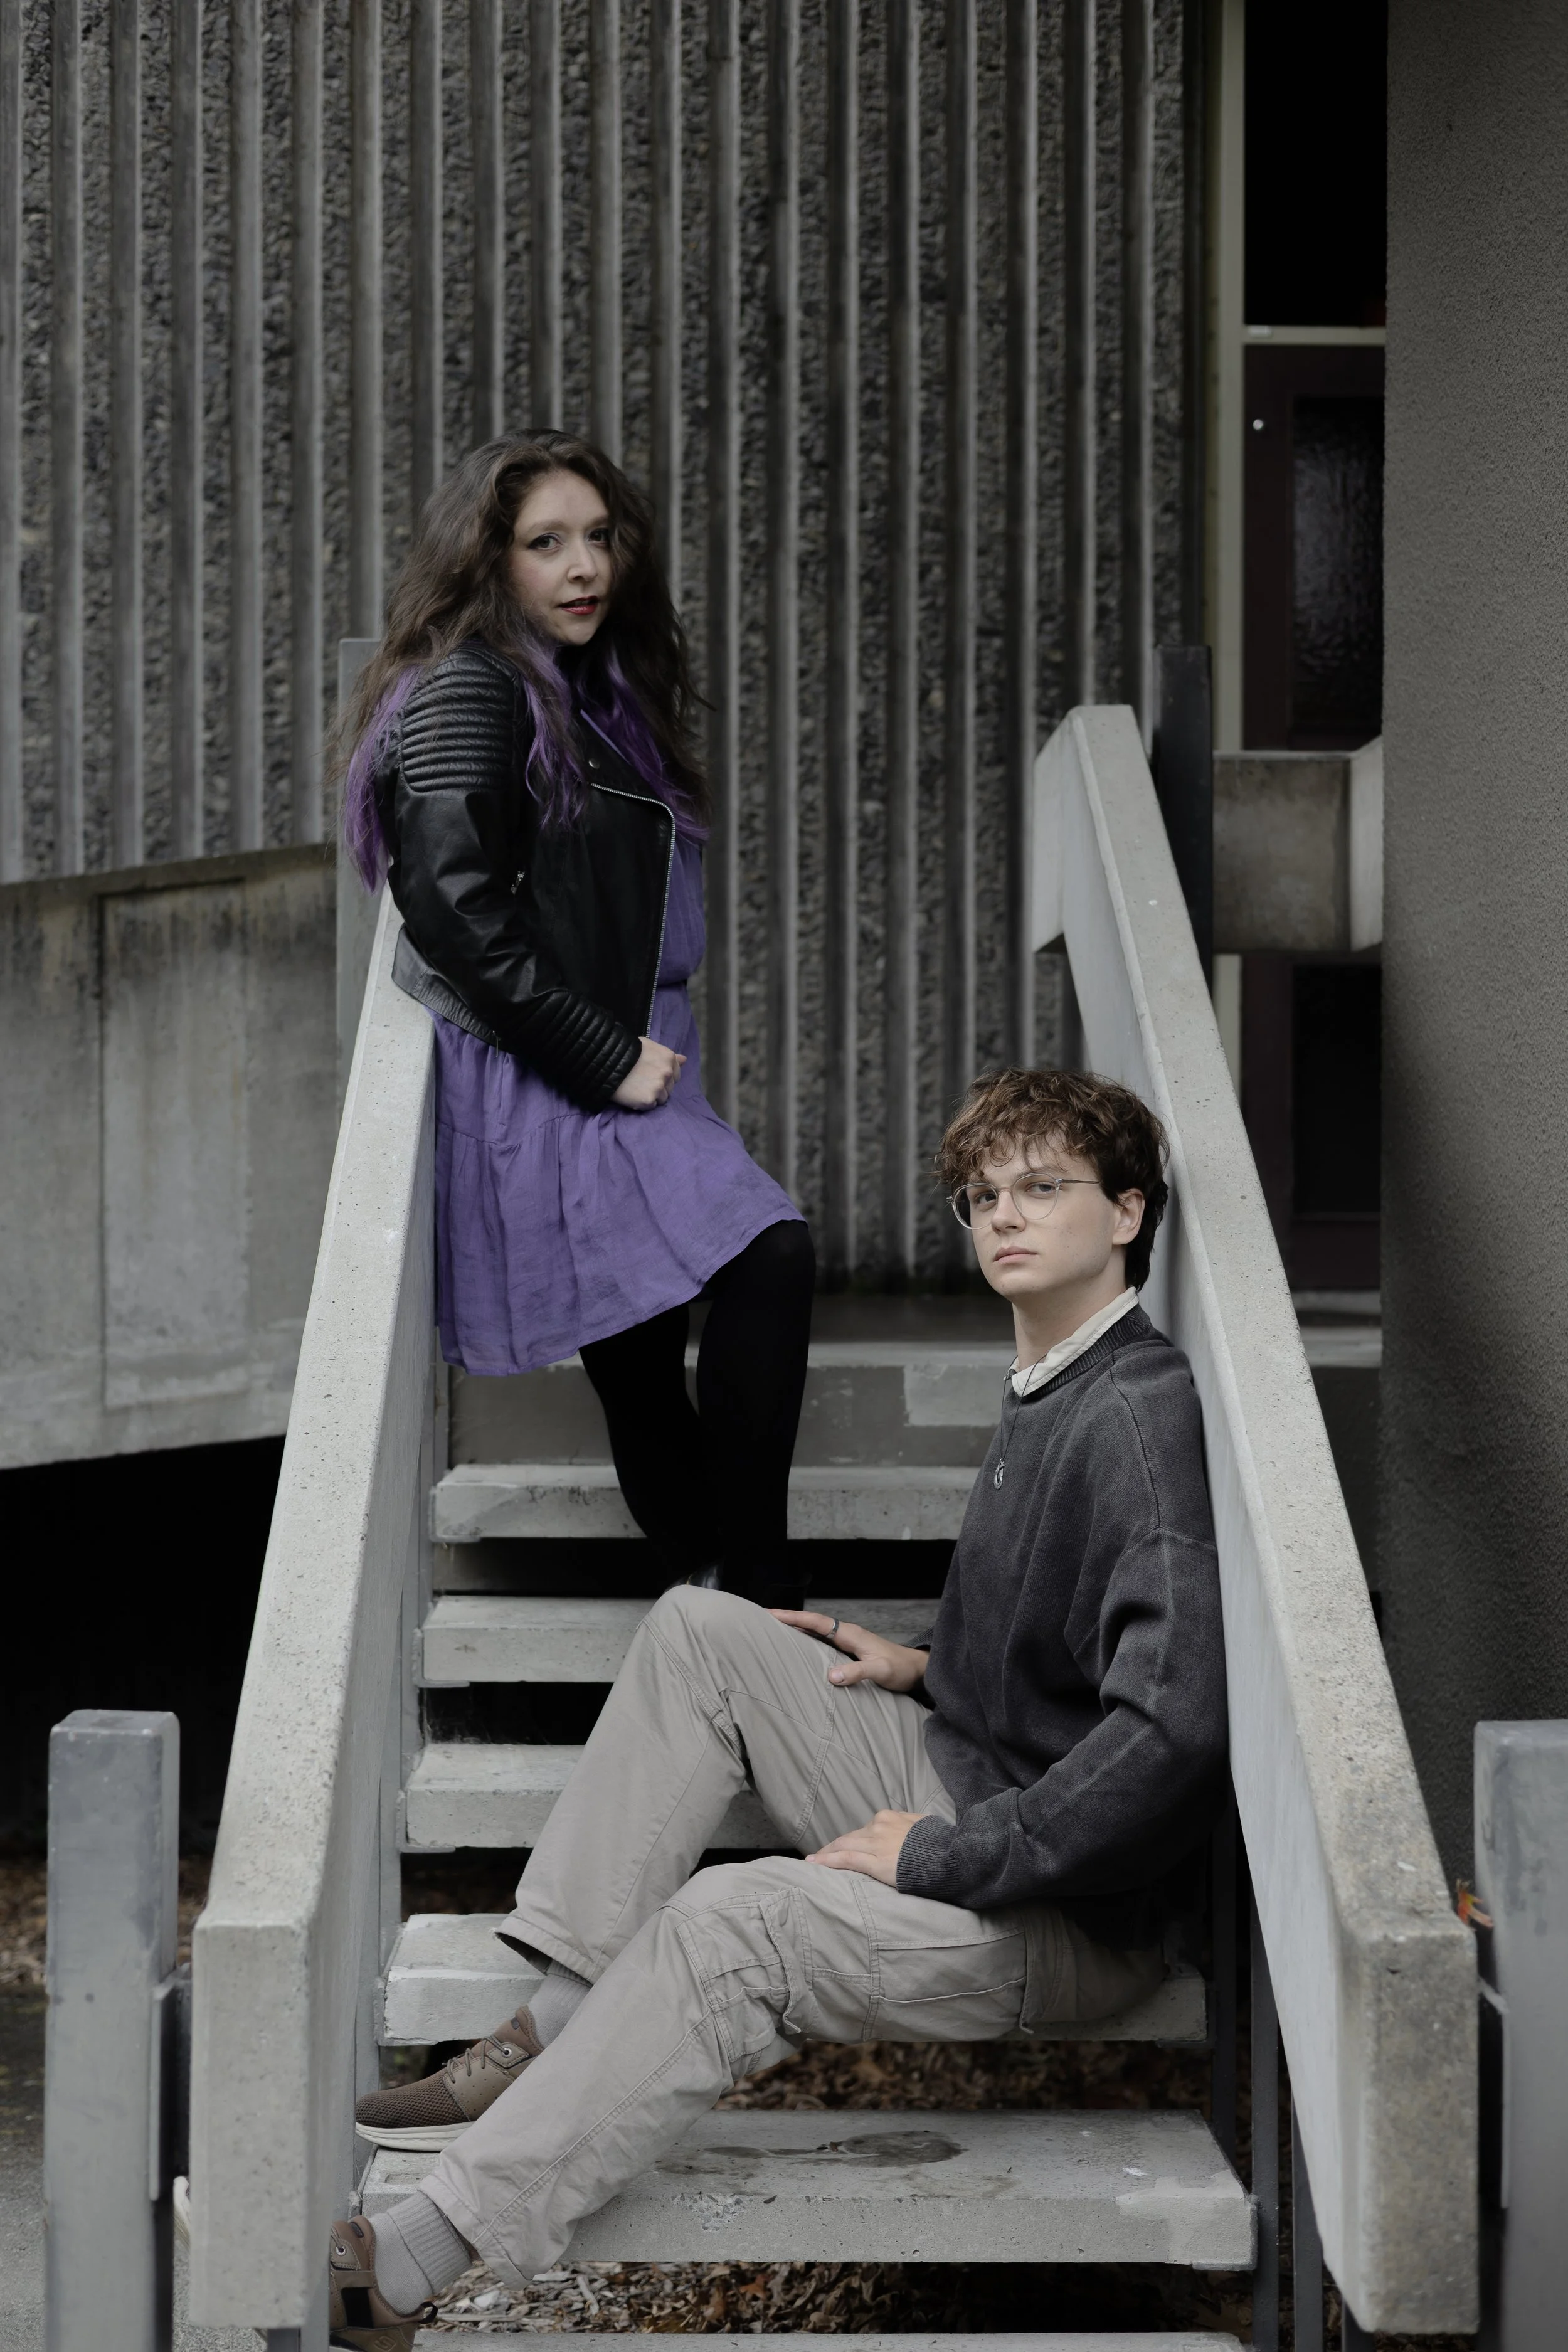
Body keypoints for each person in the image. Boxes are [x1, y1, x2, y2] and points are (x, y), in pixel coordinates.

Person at [327, 1066, 1229, 2351]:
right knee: (704, 1628)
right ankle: (559, 2023)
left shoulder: (1136, 1418)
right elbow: (1062, 1634)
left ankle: (410, 2267)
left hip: (1066, 1908)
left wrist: (949, 1853)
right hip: (974, 1774)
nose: (1004, 1217)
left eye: (1042, 1187)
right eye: (983, 1197)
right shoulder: (1055, 1378)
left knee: (732, 1920)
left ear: (1128, 1211)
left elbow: (1171, 1729)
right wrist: (930, 1664)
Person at [337, 432, 813, 1609]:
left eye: (598, 537)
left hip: (616, 1058)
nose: (583, 565)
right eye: (545, 543)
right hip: (556, 1070)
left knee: (640, 1356)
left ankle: (721, 1597)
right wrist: (602, 1057)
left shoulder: (587, 691)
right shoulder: (471, 685)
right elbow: (450, 905)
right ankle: (760, 1594)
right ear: (486, 559)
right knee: (766, 1256)